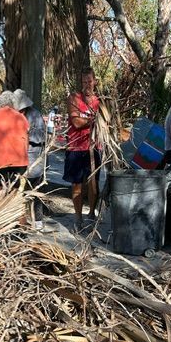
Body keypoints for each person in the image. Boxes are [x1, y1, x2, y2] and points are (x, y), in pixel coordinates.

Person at [63, 66, 101, 231]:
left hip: (94, 147)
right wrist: (95, 120)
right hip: (76, 147)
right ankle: (78, 217)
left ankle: (91, 214)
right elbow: (77, 123)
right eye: (84, 81)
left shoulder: (100, 101)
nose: (87, 84)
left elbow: (107, 123)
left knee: (93, 184)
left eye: (90, 81)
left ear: (95, 81)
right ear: (81, 82)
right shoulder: (74, 98)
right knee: (77, 184)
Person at [14, 88, 46, 231]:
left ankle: (38, 220)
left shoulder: (35, 115)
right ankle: (18, 218)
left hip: (34, 156)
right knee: (18, 190)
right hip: (16, 157)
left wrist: (25, 134)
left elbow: (40, 137)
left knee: (35, 189)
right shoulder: (13, 115)